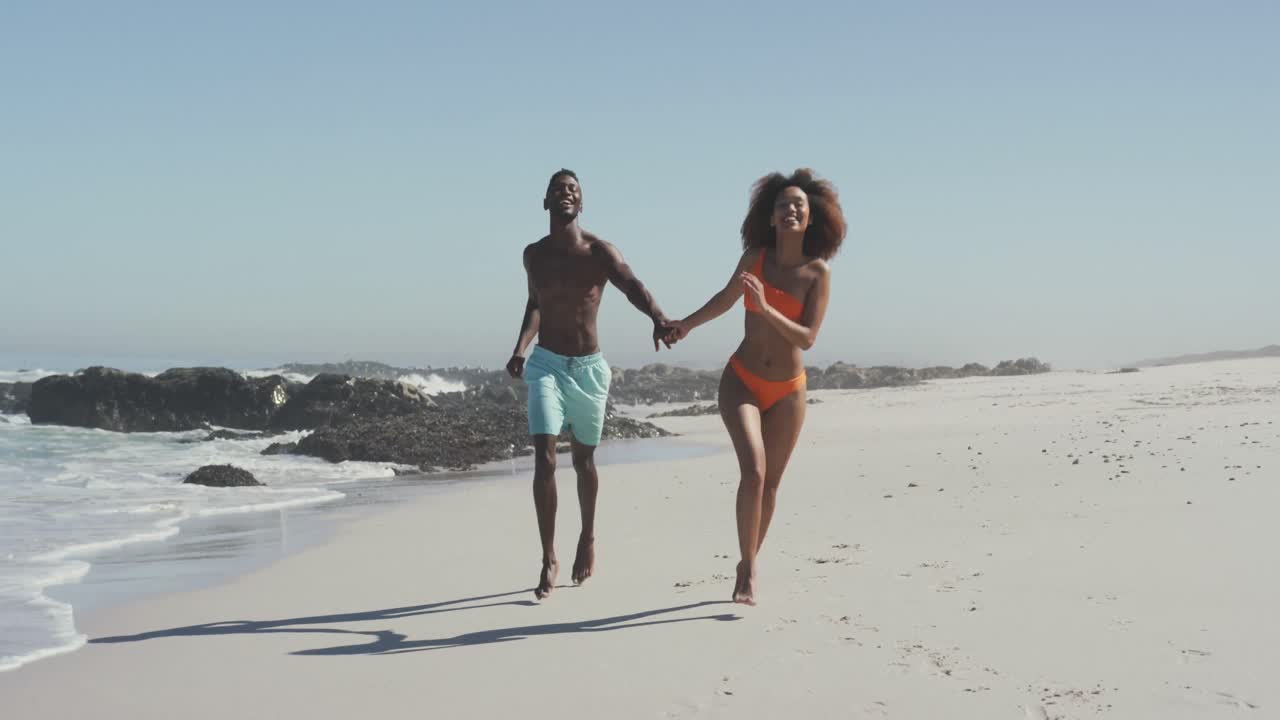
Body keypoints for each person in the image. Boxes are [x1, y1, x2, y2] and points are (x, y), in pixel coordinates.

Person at [666, 169, 846, 605]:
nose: (791, 210)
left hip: (788, 390)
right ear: (770, 217)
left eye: (799, 205)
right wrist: (685, 325)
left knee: (771, 486)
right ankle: (748, 568)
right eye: (783, 204)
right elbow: (727, 299)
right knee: (754, 471)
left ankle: (748, 561)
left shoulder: (817, 273)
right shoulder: (755, 258)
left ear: (810, 219)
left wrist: (765, 307)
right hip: (742, 381)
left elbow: (807, 337)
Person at [507, 169, 676, 601]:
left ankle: (587, 537)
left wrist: (658, 317)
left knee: (584, 462)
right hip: (546, 364)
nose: (565, 193)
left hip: (588, 370)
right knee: (544, 460)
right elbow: (535, 305)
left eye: (573, 190)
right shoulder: (533, 256)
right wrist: (521, 348)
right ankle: (547, 556)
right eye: (558, 189)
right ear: (545, 202)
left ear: (581, 205)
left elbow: (632, 285)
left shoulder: (599, 252)